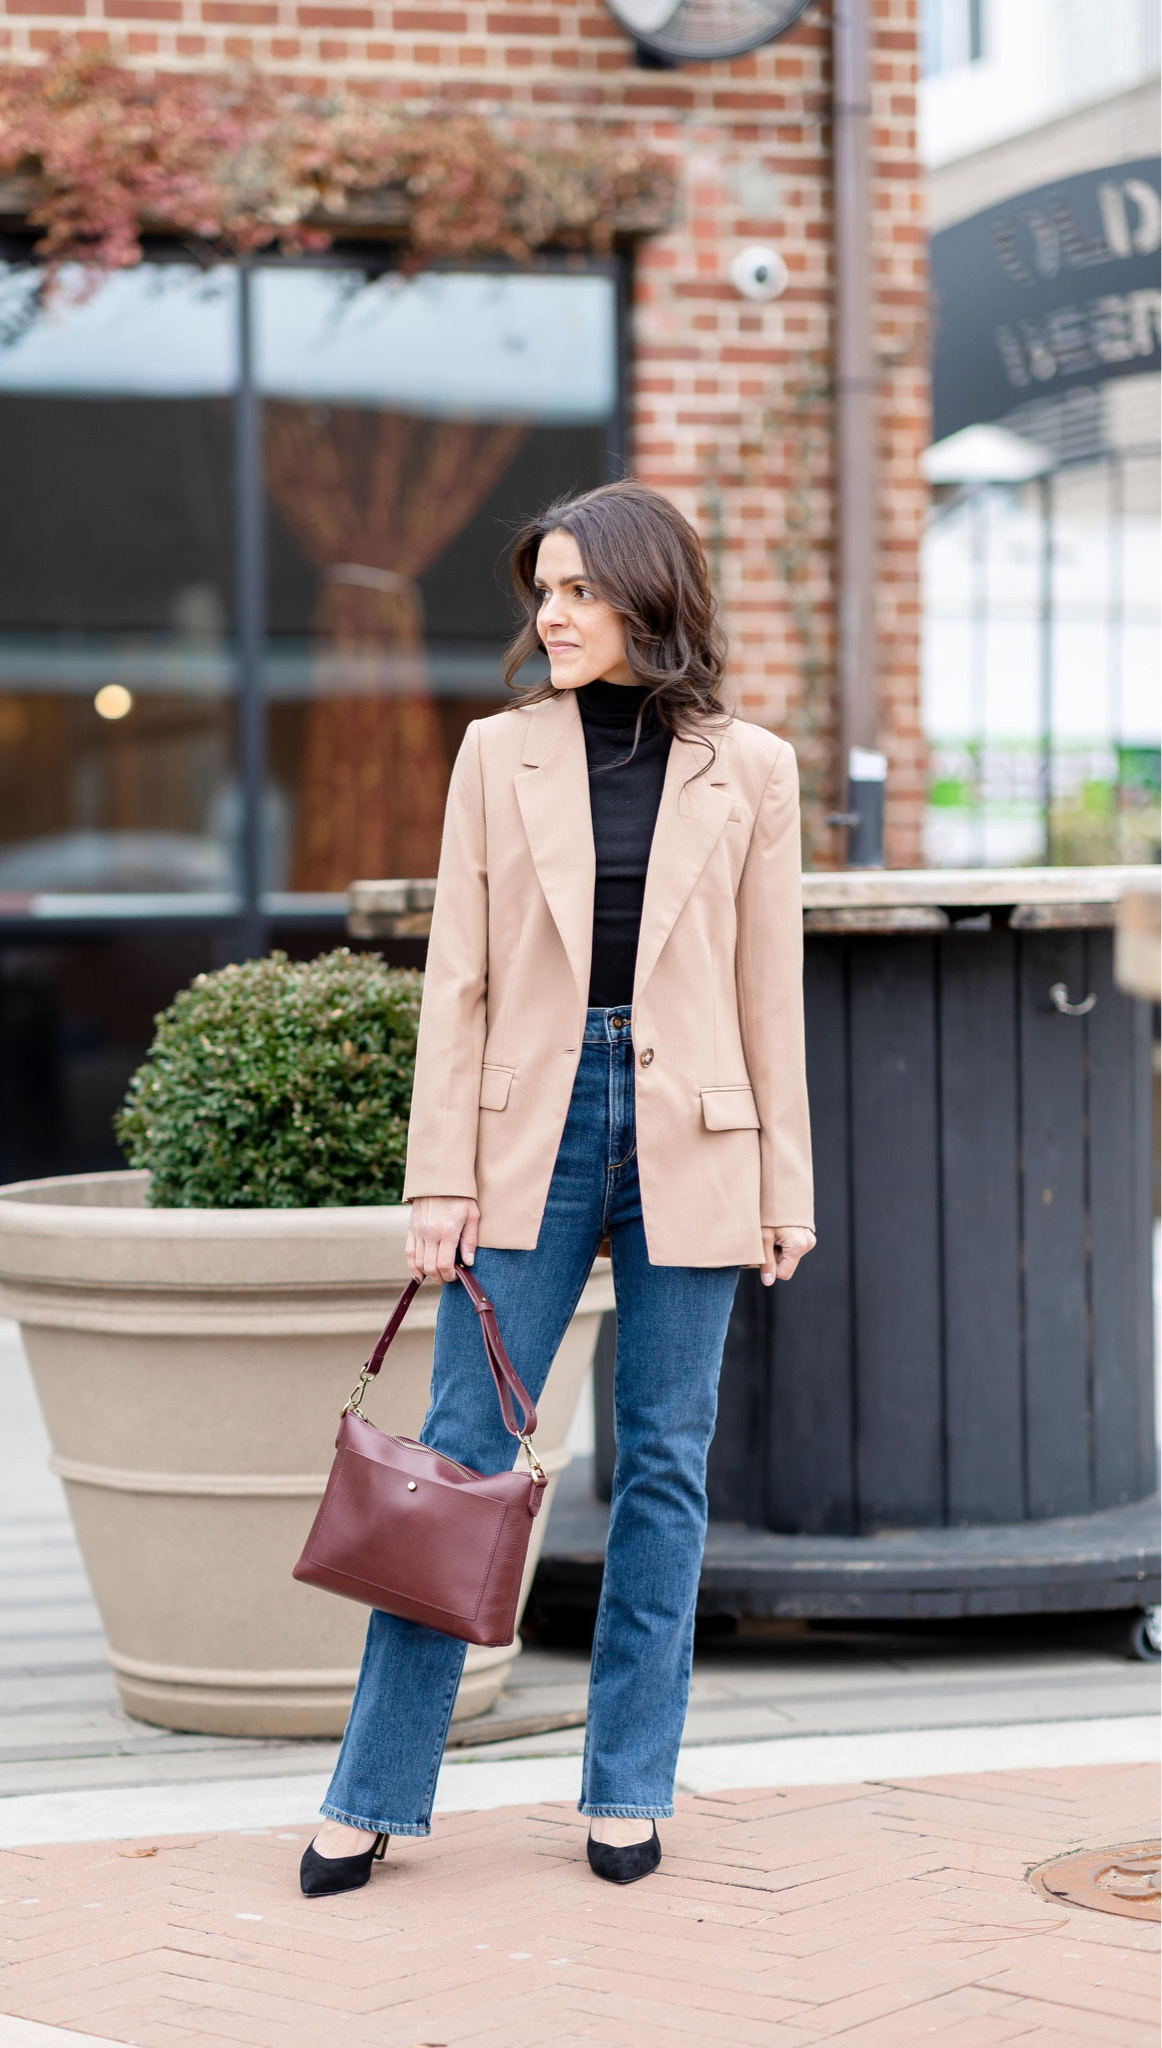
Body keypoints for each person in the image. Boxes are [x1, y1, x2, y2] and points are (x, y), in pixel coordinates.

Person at [300, 478, 815, 1897]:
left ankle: (627, 1785)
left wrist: (786, 1185)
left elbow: (768, 993)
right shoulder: (495, 754)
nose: (553, 611)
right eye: (545, 587)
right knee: (459, 1462)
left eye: (582, 588)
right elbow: (454, 976)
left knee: (661, 1465)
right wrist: (434, 1175)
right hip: (528, 1128)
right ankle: (373, 1791)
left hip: (694, 1138)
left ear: (650, 598)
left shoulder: (749, 770)